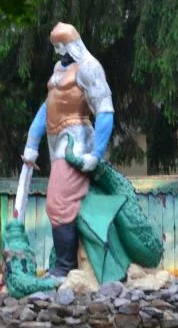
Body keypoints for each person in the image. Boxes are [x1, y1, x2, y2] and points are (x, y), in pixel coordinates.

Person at [21, 22, 114, 278]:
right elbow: (48, 106)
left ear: (72, 44)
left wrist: (96, 154)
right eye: (55, 46)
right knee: (61, 203)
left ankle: (65, 267)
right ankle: (66, 264)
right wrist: (32, 143)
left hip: (76, 143)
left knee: (58, 203)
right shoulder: (58, 69)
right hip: (56, 143)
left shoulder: (89, 67)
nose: (57, 51)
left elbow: (105, 110)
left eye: (60, 45)